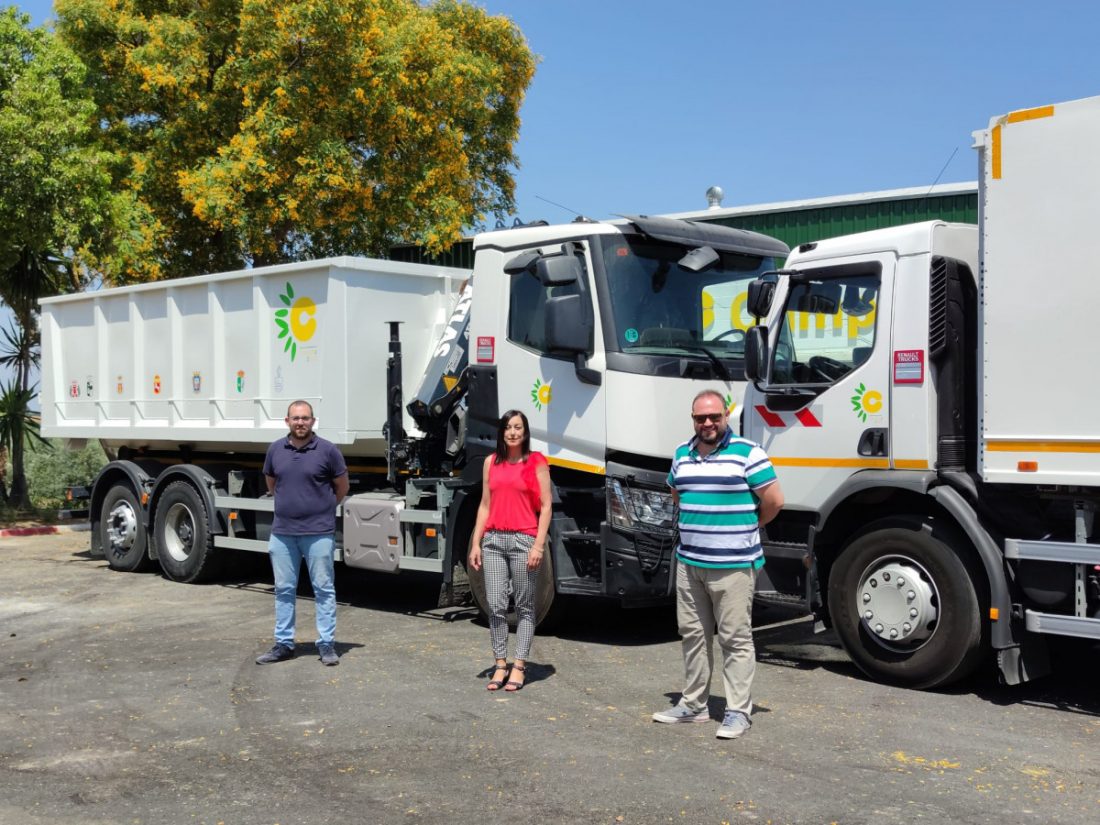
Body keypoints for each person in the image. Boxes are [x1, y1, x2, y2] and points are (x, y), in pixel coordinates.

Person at [653, 389, 784, 738]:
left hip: (734, 565)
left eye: (714, 416)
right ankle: (694, 705)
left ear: (726, 416)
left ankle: (738, 711)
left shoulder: (748, 453)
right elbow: (676, 493)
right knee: (693, 636)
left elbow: (773, 500)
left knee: (735, 638)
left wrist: (751, 526)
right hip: (689, 563)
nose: (707, 423)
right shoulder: (682, 454)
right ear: (693, 419)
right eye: (700, 418)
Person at [255, 400, 350, 666]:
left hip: (318, 532)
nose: (300, 423)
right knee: (284, 589)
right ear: (287, 421)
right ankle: (284, 644)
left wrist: (322, 510)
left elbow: (341, 487)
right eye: (295, 418)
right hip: (283, 533)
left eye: (305, 418)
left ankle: (326, 644)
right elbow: (272, 484)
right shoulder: (275, 450)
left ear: (313, 421)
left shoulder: (328, 451)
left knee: (323, 589)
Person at [468, 409, 552, 691]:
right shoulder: (491, 462)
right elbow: (484, 505)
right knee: (495, 604)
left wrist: (539, 544)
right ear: (501, 432)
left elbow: (547, 506)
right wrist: (476, 542)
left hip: (523, 541)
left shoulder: (536, 462)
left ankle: (519, 665)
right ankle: (500, 663)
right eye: (508, 427)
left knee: (526, 606)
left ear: (525, 432)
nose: (513, 432)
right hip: (493, 541)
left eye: (518, 427)